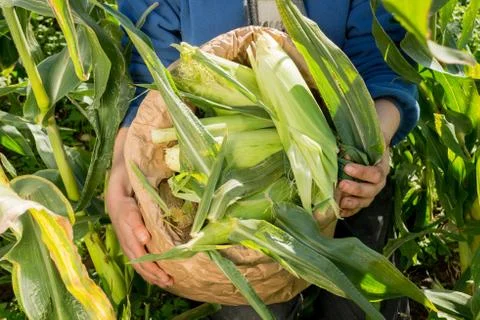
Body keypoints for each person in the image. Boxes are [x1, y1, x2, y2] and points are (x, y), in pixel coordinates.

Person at [106, 1, 419, 319]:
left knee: (358, 299)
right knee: (250, 310)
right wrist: (120, 179)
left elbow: (384, 60)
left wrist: (371, 142)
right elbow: (145, 77)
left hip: (348, 170)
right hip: (233, 212)